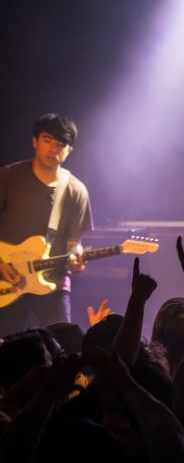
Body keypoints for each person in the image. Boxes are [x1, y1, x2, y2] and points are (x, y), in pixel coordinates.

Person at [0, 113, 93, 335]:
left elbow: (74, 243)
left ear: (69, 150)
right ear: (34, 141)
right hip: (6, 279)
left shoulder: (76, 190)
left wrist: (77, 257)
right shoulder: (8, 177)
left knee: (64, 351)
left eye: (61, 144)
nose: (53, 149)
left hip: (54, 284)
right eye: (47, 140)